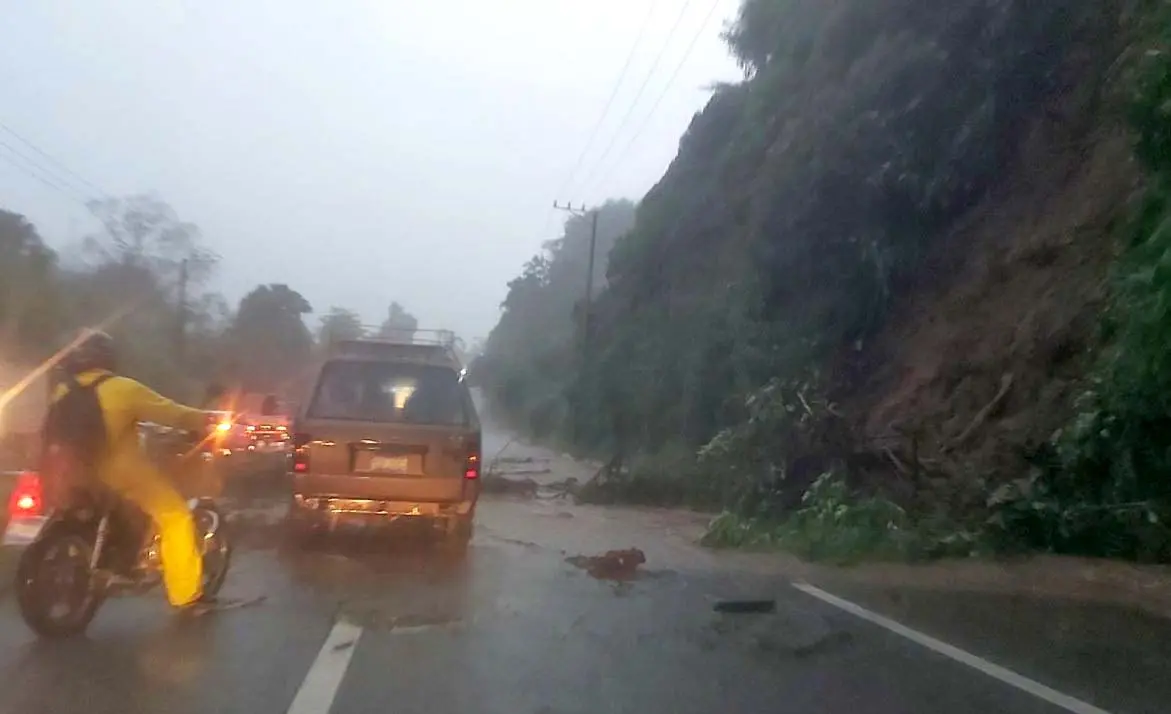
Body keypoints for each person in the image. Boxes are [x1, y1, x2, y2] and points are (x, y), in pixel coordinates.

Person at [49, 329, 215, 615]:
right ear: (108, 358)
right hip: (121, 473)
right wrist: (209, 419)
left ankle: (116, 554)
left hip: (74, 472)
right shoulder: (123, 388)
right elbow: (173, 413)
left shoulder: (63, 390)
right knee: (175, 516)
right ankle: (186, 596)